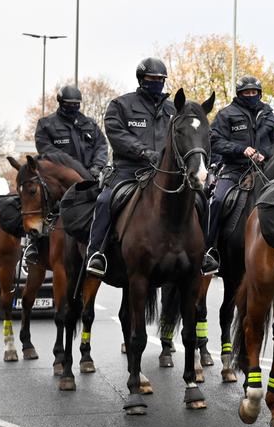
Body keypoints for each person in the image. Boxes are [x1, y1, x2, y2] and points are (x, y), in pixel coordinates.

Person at [86, 58, 217, 277]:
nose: (156, 82)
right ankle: (97, 254)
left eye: (160, 79)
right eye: (151, 78)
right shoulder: (121, 105)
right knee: (105, 200)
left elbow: (187, 137)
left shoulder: (174, 109)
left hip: (166, 172)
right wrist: (144, 152)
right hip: (129, 170)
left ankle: (203, 254)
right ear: (141, 79)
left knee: (201, 200)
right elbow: (117, 134)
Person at [204, 75, 274, 271]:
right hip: (233, 171)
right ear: (239, 94)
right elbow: (214, 141)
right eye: (246, 92)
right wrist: (241, 149)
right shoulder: (226, 114)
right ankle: (208, 251)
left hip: (264, 171)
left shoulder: (269, 115)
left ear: (260, 93)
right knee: (217, 200)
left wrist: (265, 154)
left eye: (254, 92)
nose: (251, 95)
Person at [30, 85, 108, 264]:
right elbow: (46, 150)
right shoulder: (46, 124)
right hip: (59, 180)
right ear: (60, 103)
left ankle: (100, 249)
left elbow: (101, 146)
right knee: (38, 201)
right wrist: (72, 169)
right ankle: (33, 245)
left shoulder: (89, 124)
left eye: (76, 104)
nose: (73, 107)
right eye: (69, 104)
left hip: (90, 178)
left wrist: (97, 166)